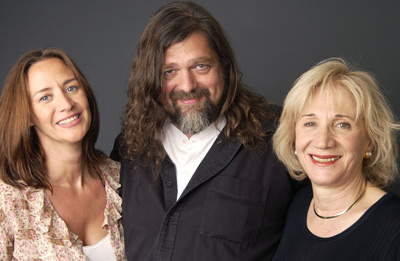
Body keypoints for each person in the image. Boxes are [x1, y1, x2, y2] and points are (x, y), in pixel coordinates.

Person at [110, 1, 298, 260]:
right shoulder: (129, 148)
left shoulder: (278, 136)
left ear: (224, 67)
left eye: (201, 66)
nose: (187, 85)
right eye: (169, 71)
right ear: (150, 78)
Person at [0, 48, 126, 260]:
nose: (66, 104)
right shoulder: (8, 200)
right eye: (45, 97)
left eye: (71, 88)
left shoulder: (120, 179)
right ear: (28, 116)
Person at [272, 58, 400, 260]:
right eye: (310, 123)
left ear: (370, 140)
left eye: (342, 125)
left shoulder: (394, 228)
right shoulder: (298, 205)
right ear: (293, 135)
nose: (323, 142)